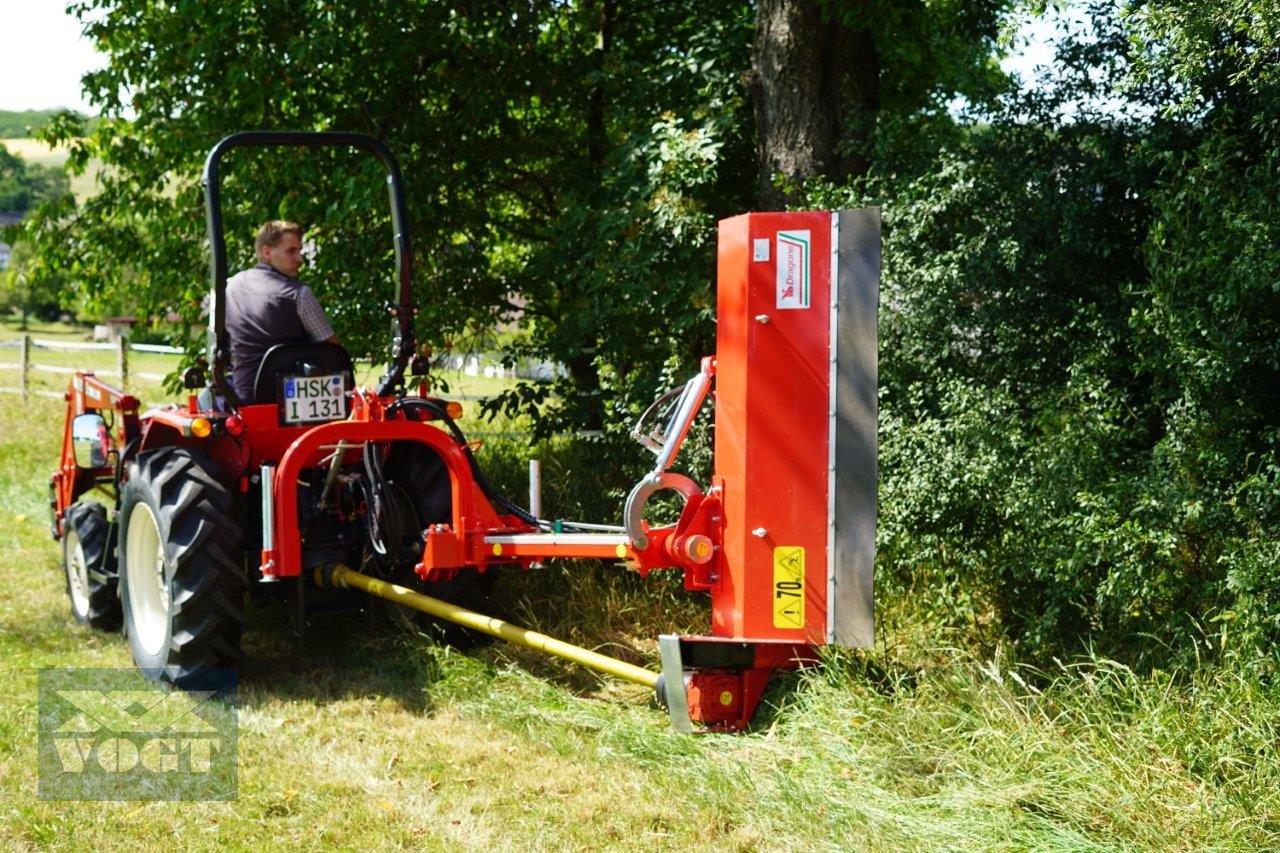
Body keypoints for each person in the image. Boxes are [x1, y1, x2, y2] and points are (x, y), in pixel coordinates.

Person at [225, 220, 339, 402]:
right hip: (296, 401)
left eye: (299, 251)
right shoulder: (298, 293)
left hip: (243, 397)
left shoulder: (231, 287)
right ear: (266, 252)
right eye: (291, 251)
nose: (300, 259)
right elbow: (333, 353)